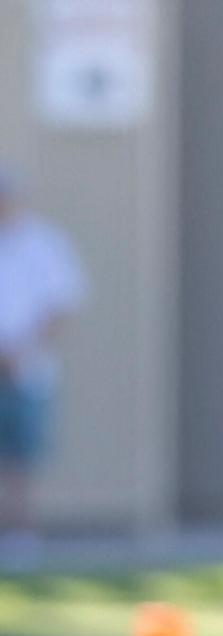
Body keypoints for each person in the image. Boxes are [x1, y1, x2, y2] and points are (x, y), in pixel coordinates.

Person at [0, 168, 87, 563]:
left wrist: (20, 349)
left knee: (21, 455)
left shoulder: (41, 243)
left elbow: (59, 304)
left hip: (26, 368)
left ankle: (20, 533)